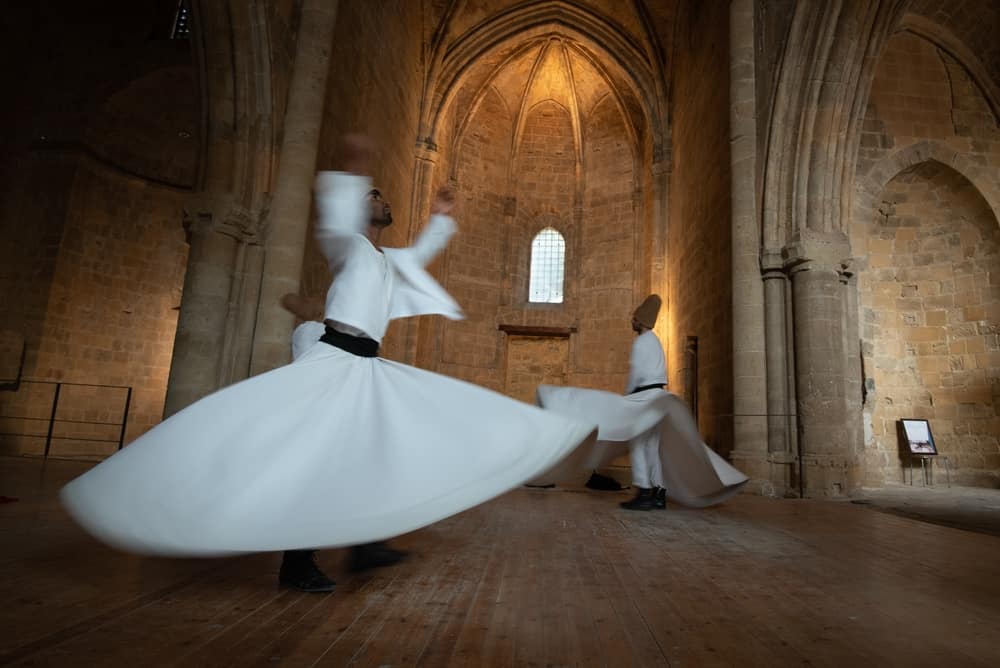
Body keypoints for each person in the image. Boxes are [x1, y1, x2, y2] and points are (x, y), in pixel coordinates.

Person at [60, 134, 596, 574]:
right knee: (310, 457)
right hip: (335, 359)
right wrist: (355, 170)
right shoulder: (349, 246)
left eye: (382, 196)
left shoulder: (386, 258)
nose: (383, 201)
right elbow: (337, 220)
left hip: (365, 364)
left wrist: (441, 216)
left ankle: (362, 545)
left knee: (369, 453)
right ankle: (297, 559)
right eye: (375, 197)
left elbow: (424, 254)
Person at [534, 295, 749, 509]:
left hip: (643, 399)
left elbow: (636, 376)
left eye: (634, 318)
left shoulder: (640, 342)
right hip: (659, 398)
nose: (631, 321)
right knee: (652, 447)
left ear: (640, 321)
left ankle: (644, 492)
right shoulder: (656, 341)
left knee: (637, 443)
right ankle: (659, 493)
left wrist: (626, 402)